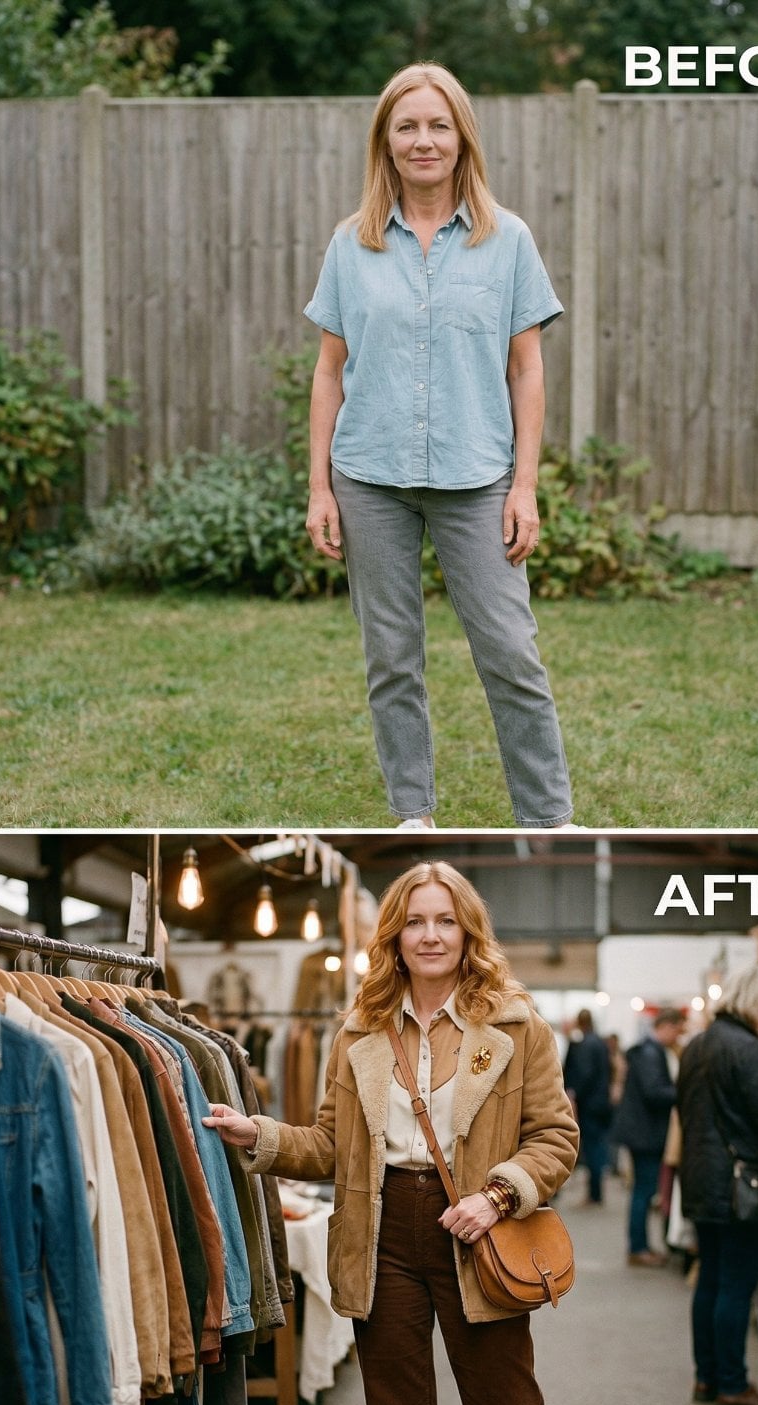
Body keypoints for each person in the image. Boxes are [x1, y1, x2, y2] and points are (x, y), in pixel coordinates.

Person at [204, 861, 634, 1405]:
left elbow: (557, 1137)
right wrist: (258, 1136)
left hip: (476, 1229)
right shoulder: (360, 1029)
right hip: (380, 1231)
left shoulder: (514, 1023)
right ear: (394, 935)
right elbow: (332, 1145)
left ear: (467, 931)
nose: (430, 935)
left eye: (444, 920)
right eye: (415, 921)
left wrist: (499, 1194)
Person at [303, 61, 576, 831]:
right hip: (370, 478)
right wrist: (320, 489)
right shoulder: (351, 246)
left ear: (461, 139)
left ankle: (549, 816)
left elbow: (527, 368)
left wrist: (524, 486)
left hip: (477, 475)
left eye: (438, 126)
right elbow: (330, 372)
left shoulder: (508, 240)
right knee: (391, 659)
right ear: (385, 144)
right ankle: (413, 812)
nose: (423, 141)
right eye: (407, 127)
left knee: (512, 654)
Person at [676, 966, 758, 1405]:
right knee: (736, 1284)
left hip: (704, 1181)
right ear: (755, 999)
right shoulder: (748, 1048)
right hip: (742, 1186)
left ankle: (707, 1378)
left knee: (711, 1280)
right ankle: (733, 1384)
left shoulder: (696, 1046)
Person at [613, 1008, 685, 1266]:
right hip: (645, 1133)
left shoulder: (647, 1051)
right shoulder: (651, 1053)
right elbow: (654, 1093)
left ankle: (640, 1246)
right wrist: (683, 1091)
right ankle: (638, 1247)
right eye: (677, 1030)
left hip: (641, 1131)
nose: (678, 1036)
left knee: (642, 1191)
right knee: (643, 1191)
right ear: (666, 1025)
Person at [563, 1009, 612, 1204]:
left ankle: (594, 1193)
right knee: (598, 1146)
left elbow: (585, 1074)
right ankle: (597, 1190)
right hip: (601, 1102)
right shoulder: (600, 1042)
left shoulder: (585, 1044)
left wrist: (574, 1094)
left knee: (592, 1148)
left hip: (590, 1104)